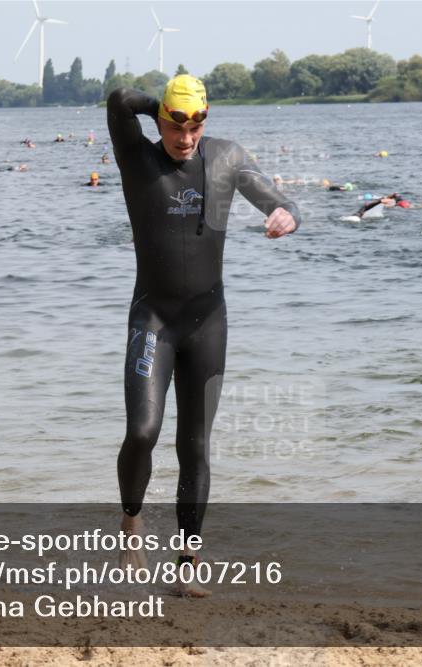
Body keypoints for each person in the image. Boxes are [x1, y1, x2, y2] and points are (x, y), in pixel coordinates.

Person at [108, 75, 299, 596]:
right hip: (154, 320)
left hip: (208, 323)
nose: (186, 137)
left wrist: (286, 215)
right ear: (161, 119)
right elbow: (120, 99)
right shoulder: (137, 159)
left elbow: (280, 202)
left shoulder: (226, 158)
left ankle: (188, 560)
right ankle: (131, 523)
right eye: (176, 124)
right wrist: (158, 107)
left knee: (196, 446)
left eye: (196, 124)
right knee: (143, 431)